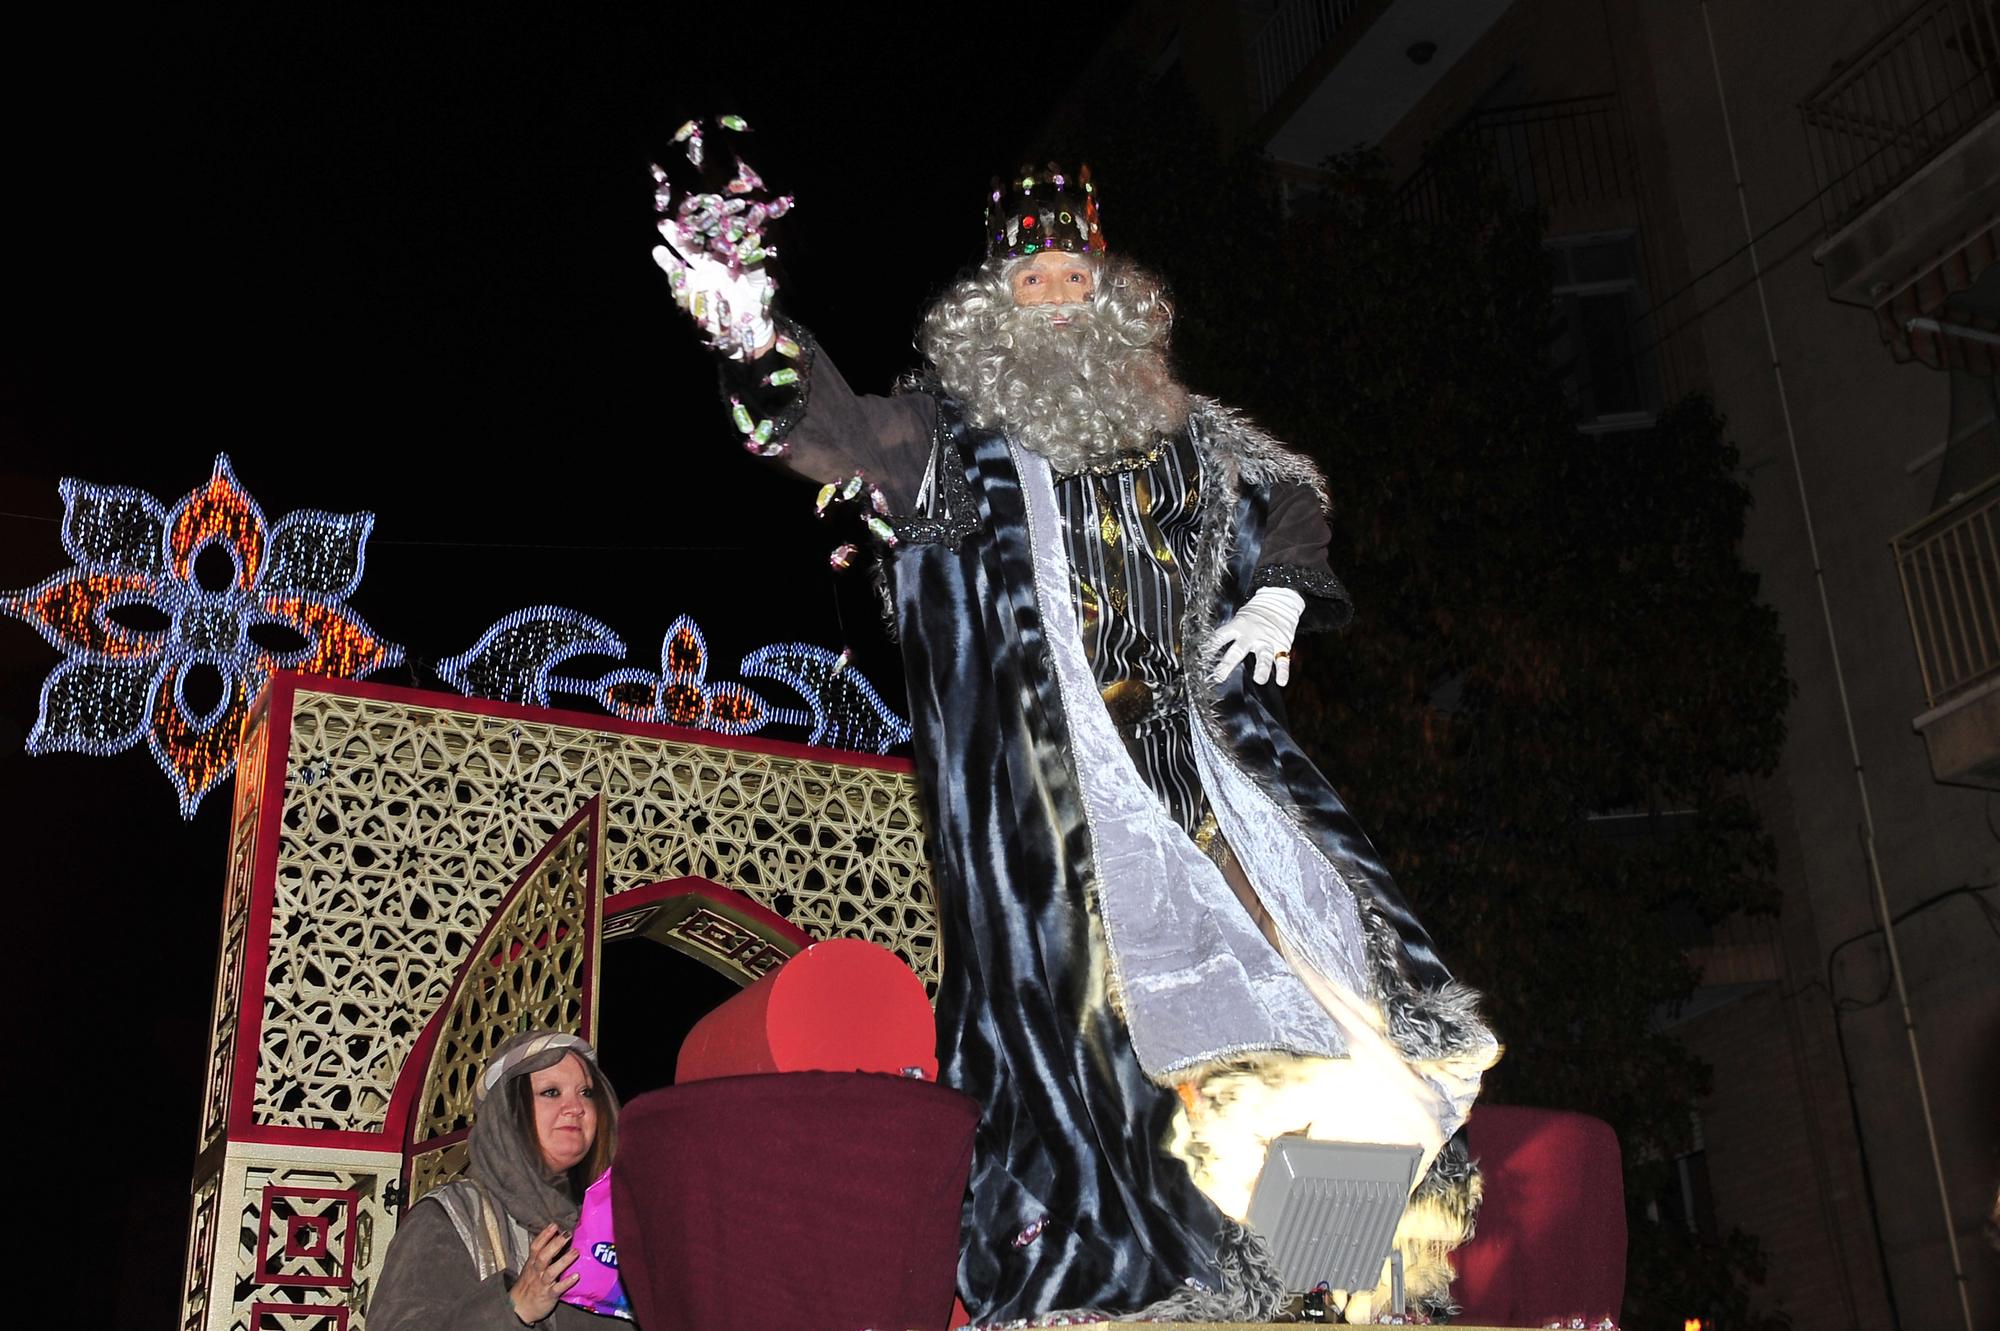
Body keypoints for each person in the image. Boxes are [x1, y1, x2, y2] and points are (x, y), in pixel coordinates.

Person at [653, 147, 1499, 1323]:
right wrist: (754, 338)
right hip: (1059, 813)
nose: (1053, 298)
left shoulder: (1188, 437)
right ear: (995, 306)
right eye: (1031, 281)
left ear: (1105, 293)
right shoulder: (951, 446)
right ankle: (1164, 1288)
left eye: (1069, 275)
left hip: (1211, 785)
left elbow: (1288, 490)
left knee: (1337, 1006)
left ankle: (1330, 1285)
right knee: (1111, 1057)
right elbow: (828, 428)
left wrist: (1281, 591)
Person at [370, 1031, 622, 1330]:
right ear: (509, 1112)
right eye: (551, 1092)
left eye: (586, 1092)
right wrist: (514, 1307)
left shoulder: (611, 1224)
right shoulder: (452, 1218)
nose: (576, 1107)